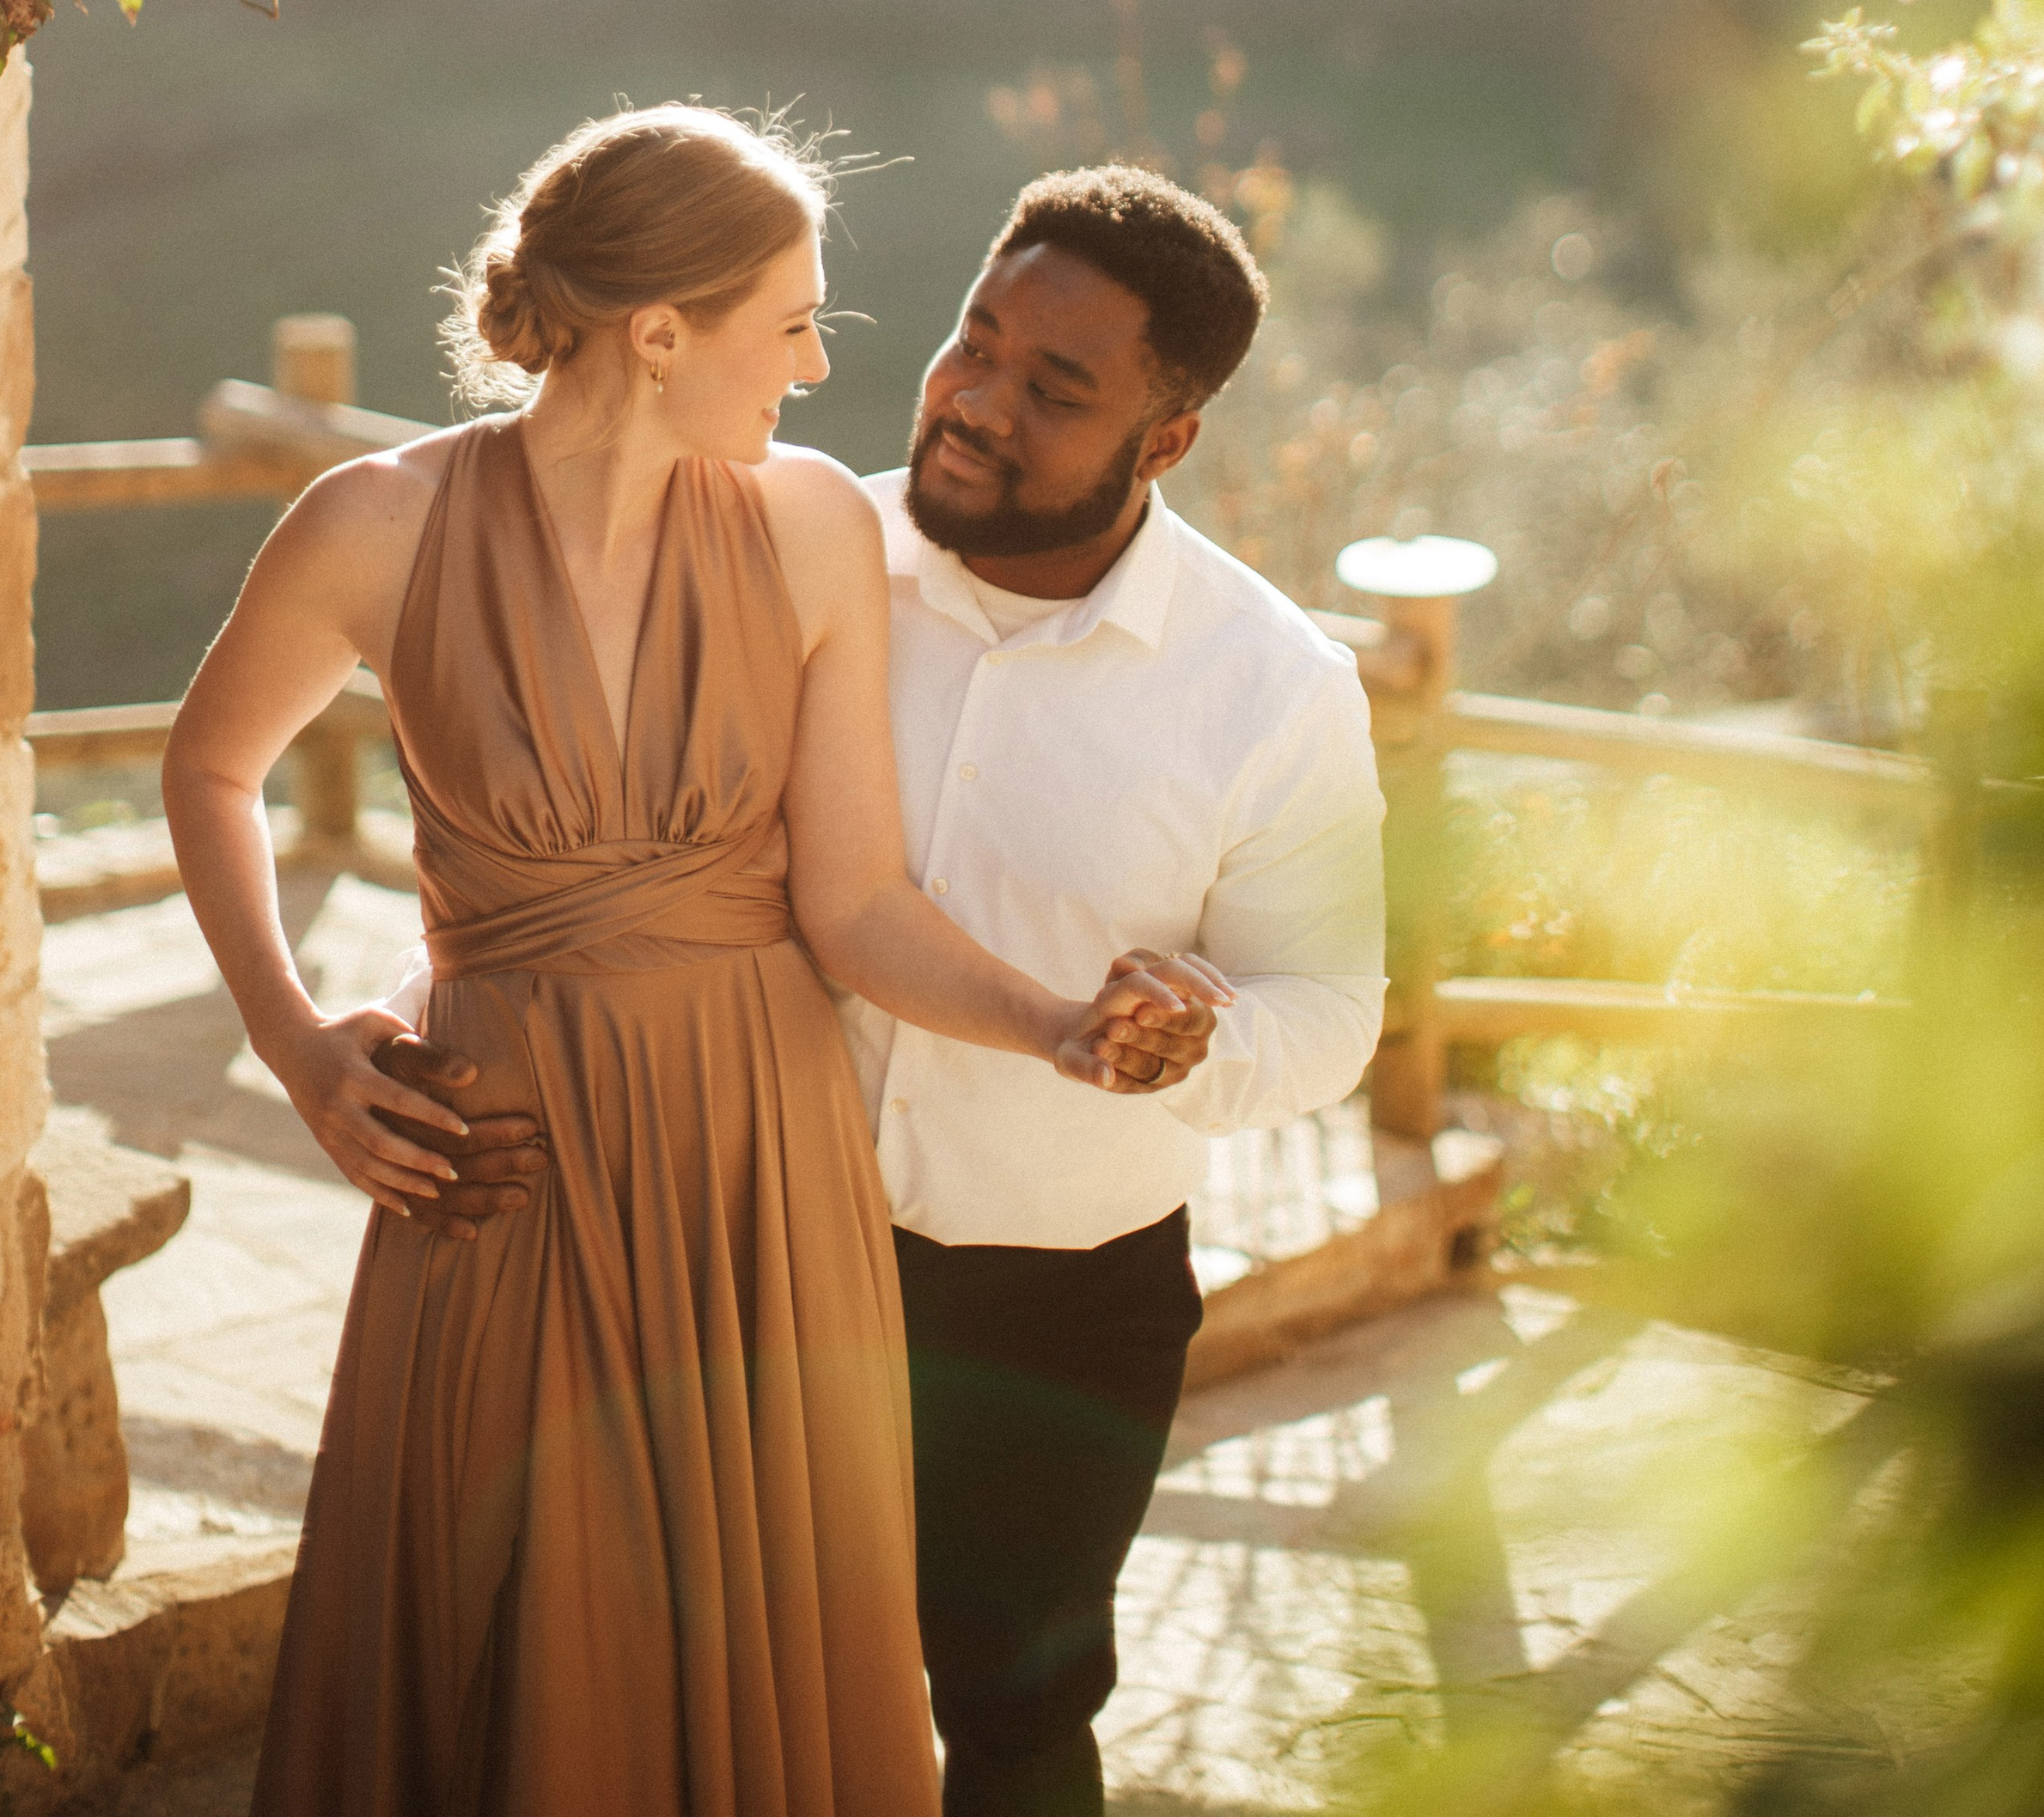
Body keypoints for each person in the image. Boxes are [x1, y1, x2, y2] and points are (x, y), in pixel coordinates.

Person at [162, 108, 1217, 1817]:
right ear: (660, 334)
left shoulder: (808, 529)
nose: (814, 364)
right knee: (498, 1600)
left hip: (757, 1163)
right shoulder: (374, 523)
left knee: (756, 1627)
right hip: (498, 1151)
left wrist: (1051, 1029)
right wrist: (297, 1046)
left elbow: (855, 903)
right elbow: (210, 770)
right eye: (791, 320)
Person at [397, 163, 1388, 1817]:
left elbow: (1331, 1009)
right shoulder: (787, 540)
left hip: (1058, 1300)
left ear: (1166, 441)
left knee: (1016, 1718)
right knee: (711, 1696)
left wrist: (1191, 1050)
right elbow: (583, 824)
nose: (977, 402)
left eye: (1055, 389)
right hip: (741, 1250)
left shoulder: (1273, 691)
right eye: (974, 340)